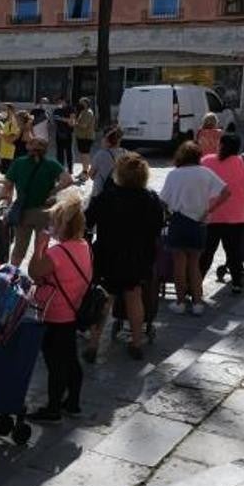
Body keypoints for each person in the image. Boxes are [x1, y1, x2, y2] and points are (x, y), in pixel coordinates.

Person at [85, 153, 165, 360]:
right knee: (134, 296)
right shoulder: (151, 199)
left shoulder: (106, 196)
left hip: (108, 254)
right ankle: (136, 342)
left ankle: (93, 345)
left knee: (104, 299)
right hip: (137, 256)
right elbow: (158, 227)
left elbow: (87, 220)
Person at [28, 193, 93, 421]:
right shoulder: (83, 245)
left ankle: (53, 408)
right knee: (70, 359)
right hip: (72, 310)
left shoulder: (57, 253)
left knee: (55, 363)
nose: (50, 226)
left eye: (53, 222)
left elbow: (34, 272)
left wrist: (39, 248)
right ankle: (72, 402)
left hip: (54, 313)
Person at [160, 141, 230, 315]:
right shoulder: (206, 173)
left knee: (179, 265)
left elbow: (163, 200)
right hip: (199, 222)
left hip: (178, 221)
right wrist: (210, 209)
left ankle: (180, 302)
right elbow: (227, 191)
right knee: (194, 265)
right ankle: (198, 303)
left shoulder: (174, 175)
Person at [199, 134, 244, 295]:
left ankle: (196, 284)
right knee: (234, 251)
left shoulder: (207, 161)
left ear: (220, 144)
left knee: (207, 252)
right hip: (238, 215)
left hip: (211, 214)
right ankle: (237, 283)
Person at [3, 137, 73, 266]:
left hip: (24, 212)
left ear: (28, 148)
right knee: (40, 250)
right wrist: (54, 190)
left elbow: (7, 185)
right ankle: (38, 279)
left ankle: (12, 276)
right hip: (44, 212)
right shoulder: (52, 164)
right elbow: (68, 180)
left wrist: (8, 201)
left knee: (18, 250)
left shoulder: (18, 163)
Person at [89, 126, 126, 197]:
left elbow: (91, 174)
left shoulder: (100, 154)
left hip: (100, 190)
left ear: (106, 140)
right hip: (119, 191)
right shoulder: (125, 153)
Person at [73, 98, 96, 179]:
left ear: (86, 104)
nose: (80, 104)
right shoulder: (83, 112)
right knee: (82, 155)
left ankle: (86, 173)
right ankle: (84, 171)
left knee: (85, 155)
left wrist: (75, 123)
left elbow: (84, 125)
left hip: (86, 137)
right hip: (81, 137)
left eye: (82, 103)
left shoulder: (88, 113)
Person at [52, 96, 75, 173]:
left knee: (69, 152)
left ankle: (70, 169)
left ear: (64, 101)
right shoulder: (56, 110)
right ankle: (60, 168)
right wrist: (66, 120)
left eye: (60, 101)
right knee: (59, 152)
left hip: (68, 133)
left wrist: (62, 119)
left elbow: (72, 122)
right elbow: (55, 119)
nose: (59, 103)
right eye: (58, 102)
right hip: (59, 133)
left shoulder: (70, 109)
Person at [0, 103, 20, 175]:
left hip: (10, 154)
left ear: (10, 111)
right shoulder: (7, 122)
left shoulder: (13, 123)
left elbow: (11, 139)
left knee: (8, 176)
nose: (2, 111)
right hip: (4, 154)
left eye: (4, 110)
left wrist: (1, 133)